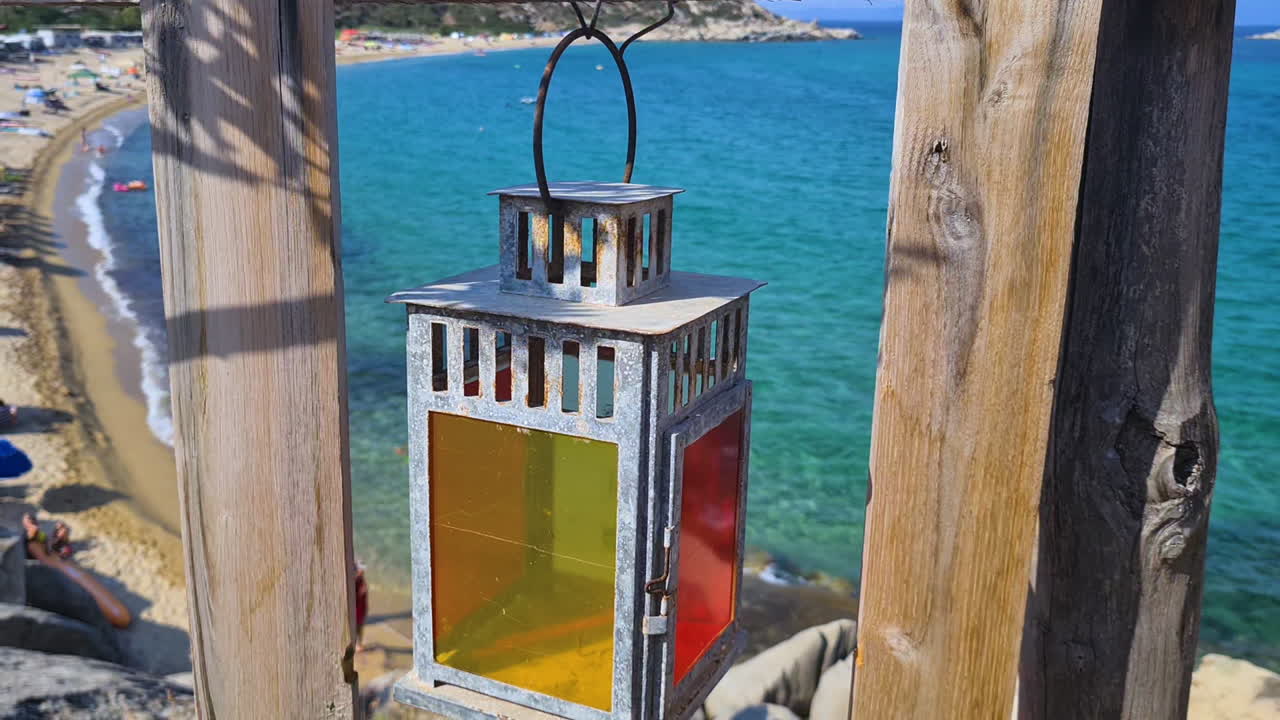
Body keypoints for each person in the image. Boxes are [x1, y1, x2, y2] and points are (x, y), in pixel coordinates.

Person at [354, 562, 369, 652]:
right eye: (361, 570)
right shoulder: (356, 580)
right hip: (357, 610)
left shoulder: (361, 579)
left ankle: (359, 644)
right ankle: (357, 644)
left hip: (361, 609)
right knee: (357, 627)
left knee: (360, 626)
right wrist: (361, 592)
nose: (362, 572)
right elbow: (353, 597)